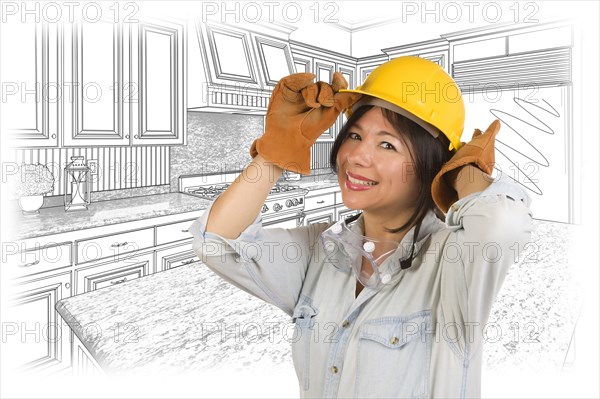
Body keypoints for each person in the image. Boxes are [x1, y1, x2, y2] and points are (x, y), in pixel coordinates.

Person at [189, 56, 533, 398]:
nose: (356, 156)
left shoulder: (453, 263)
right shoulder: (318, 250)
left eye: (387, 144)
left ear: (432, 164)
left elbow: (502, 225)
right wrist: (276, 150)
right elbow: (217, 242)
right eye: (354, 135)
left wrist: (464, 171)